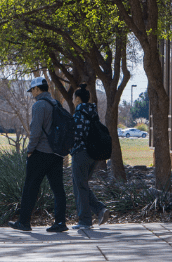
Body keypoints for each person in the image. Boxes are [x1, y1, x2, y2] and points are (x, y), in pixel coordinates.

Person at [8, 77, 68, 233]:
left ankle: (24, 222)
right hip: (56, 154)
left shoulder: (39, 105)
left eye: (32, 90)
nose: (32, 93)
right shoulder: (56, 103)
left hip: (40, 152)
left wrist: (29, 150)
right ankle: (60, 222)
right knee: (58, 189)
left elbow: (35, 132)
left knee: (30, 187)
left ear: (37, 89)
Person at [70, 84, 110, 229]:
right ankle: (100, 210)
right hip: (94, 155)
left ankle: (85, 221)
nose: (73, 101)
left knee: (80, 186)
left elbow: (77, 135)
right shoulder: (93, 113)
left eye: (74, 99)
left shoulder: (79, 113)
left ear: (78, 100)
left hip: (81, 153)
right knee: (82, 184)